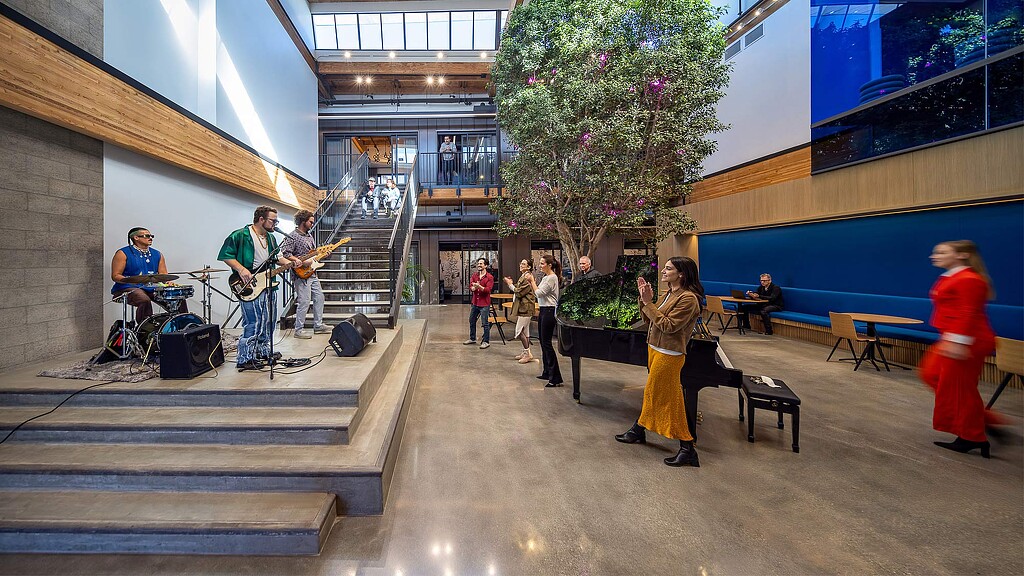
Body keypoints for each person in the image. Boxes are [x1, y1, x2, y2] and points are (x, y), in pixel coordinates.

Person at [615, 256, 705, 467]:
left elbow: (668, 326)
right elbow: (650, 320)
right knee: (652, 393)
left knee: (670, 398)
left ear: (681, 274)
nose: (663, 271)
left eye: (668, 268)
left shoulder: (688, 299)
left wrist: (648, 303)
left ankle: (687, 447)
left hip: (670, 354)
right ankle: (639, 430)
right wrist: (644, 300)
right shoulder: (669, 294)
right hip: (655, 348)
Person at [920, 240, 1003, 458]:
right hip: (951, 336)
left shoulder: (969, 279)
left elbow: (968, 312)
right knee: (931, 375)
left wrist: (959, 342)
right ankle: (986, 421)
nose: (934, 256)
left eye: (941, 252)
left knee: (960, 388)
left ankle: (973, 436)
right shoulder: (952, 276)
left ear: (962, 255)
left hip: (967, 339)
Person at [218, 206, 294, 371]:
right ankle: (245, 357)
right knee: (254, 321)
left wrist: (292, 263)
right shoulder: (240, 235)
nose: (275, 224)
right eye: (273, 220)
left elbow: (278, 258)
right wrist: (241, 269)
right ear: (261, 219)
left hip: (268, 284)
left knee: (270, 320)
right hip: (248, 284)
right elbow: (225, 255)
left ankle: (262, 351)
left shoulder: (271, 238)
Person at [110, 227, 187, 325]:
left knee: (178, 297)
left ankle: (182, 326)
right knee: (144, 300)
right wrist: (132, 280)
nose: (150, 238)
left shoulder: (157, 254)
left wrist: (168, 283)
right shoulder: (122, 253)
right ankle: (145, 330)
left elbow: (163, 275)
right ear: (136, 237)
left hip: (151, 287)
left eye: (151, 236)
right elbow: (116, 276)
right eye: (147, 236)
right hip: (127, 287)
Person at [281, 210, 332, 340]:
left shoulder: (309, 236)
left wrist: (322, 255)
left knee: (319, 297)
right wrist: (298, 261)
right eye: (310, 222)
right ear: (303, 222)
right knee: (304, 301)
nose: (312, 224)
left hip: (312, 273)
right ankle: (298, 330)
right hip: (301, 275)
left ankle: (318, 325)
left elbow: (313, 254)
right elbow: (285, 253)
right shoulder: (292, 236)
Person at [530, 254, 564, 387]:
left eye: (543, 263)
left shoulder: (552, 278)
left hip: (549, 311)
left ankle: (555, 377)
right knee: (542, 342)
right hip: (544, 310)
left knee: (547, 344)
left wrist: (532, 281)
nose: (540, 265)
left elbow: (538, 293)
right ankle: (546, 371)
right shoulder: (546, 277)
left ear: (550, 265)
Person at [504, 258, 537, 364]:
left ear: (529, 267)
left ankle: (527, 353)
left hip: (526, 308)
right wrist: (512, 284)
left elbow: (519, 292)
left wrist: (510, 284)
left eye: (524, 264)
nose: (521, 265)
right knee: (525, 331)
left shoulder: (528, 277)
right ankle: (526, 352)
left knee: (519, 332)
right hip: (523, 308)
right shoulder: (524, 276)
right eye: (521, 263)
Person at [464, 258, 494, 349]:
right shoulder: (475, 275)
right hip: (475, 302)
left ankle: (486, 341)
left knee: (485, 323)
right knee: (471, 320)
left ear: (485, 265)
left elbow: (488, 290)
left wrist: (479, 286)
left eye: (481, 263)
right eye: (478, 263)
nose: (479, 265)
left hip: (484, 303)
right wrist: (472, 288)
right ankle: (472, 338)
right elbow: (471, 285)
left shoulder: (490, 277)